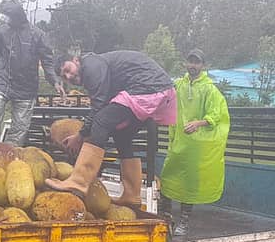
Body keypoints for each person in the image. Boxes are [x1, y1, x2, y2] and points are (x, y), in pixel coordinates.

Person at [45, 50, 176, 205]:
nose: (68, 77)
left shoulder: (91, 65)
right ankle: (132, 195)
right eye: (63, 77)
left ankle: (79, 182)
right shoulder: (94, 66)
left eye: (68, 70)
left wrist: (80, 136)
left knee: (101, 121)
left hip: (147, 87)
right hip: (158, 89)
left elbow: (99, 106)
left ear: (76, 60)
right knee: (122, 135)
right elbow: (105, 102)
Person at [159, 49, 230, 237]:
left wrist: (199, 122)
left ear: (203, 65)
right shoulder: (178, 85)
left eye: (196, 62)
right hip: (179, 143)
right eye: (190, 61)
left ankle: (183, 221)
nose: (192, 66)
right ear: (185, 63)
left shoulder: (209, 89)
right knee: (167, 177)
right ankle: (165, 216)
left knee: (188, 183)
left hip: (195, 145)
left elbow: (216, 114)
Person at [0, 0, 63, 146]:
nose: (6, 20)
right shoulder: (2, 31)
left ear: (17, 17)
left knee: (20, 128)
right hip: (1, 82)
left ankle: (8, 158)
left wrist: (55, 81)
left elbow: (47, 62)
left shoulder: (37, 35)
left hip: (26, 89)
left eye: (9, 17)